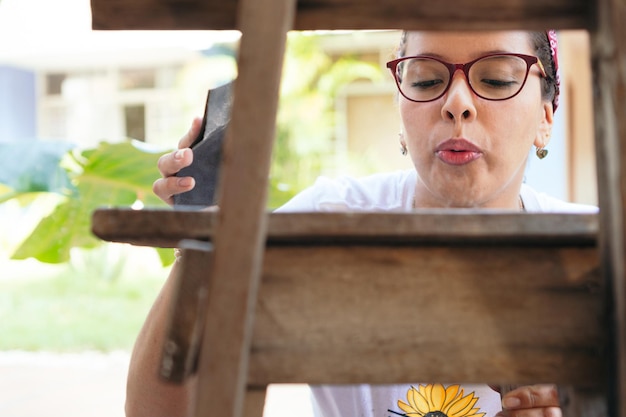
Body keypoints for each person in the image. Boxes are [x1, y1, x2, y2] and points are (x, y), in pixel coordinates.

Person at [129, 30, 598, 417]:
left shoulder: (600, 255)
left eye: (496, 80)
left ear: (546, 116)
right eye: (426, 79)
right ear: (399, 105)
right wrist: (205, 237)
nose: (458, 104)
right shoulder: (326, 221)